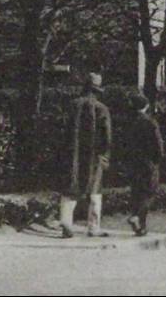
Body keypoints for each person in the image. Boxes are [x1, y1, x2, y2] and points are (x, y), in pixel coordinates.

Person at [59, 73, 112, 238]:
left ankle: (66, 222)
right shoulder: (102, 108)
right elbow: (107, 137)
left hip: (73, 154)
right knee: (95, 192)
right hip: (94, 157)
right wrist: (105, 156)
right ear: (97, 90)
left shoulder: (72, 105)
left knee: (71, 188)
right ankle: (93, 227)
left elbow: (62, 130)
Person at [126, 93, 163, 237]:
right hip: (148, 162)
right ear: (146, 106)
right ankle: (136, 217)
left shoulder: (130, 122)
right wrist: (157, 160)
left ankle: (141, 227)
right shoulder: (150, 122)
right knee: (149, 193)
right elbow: (158, 145)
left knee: (136, 193)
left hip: (133, 162)